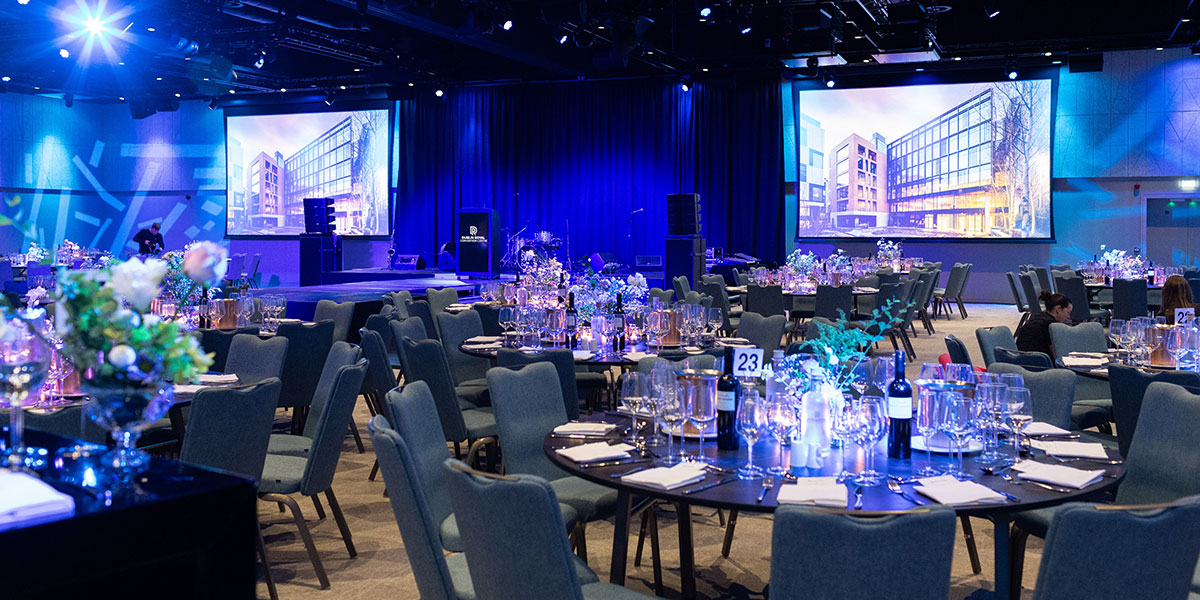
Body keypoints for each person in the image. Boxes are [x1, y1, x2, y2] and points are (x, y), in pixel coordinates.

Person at [1016, 291, 1072, 359]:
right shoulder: (1051, 326)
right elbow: (1056, 355)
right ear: (1058, 309)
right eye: (1068, 312)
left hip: (1021, 359)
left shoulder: (1037, 318)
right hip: (1039, 362)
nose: (1068, 317)